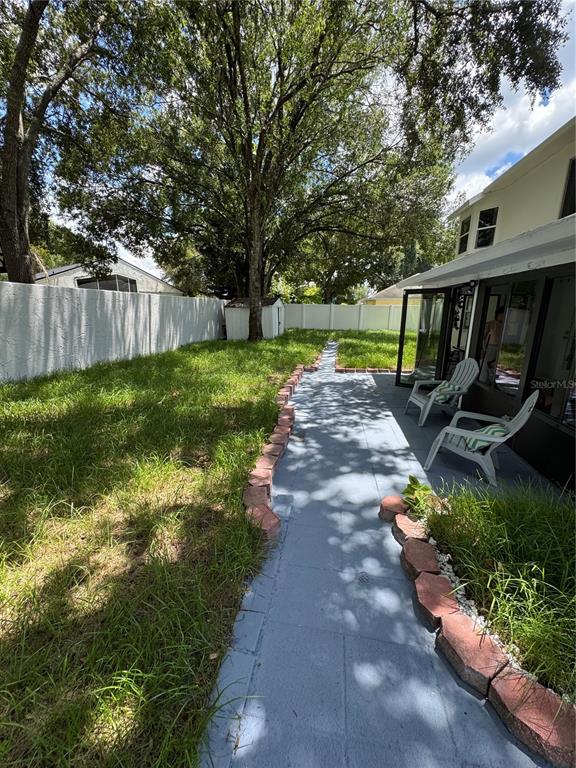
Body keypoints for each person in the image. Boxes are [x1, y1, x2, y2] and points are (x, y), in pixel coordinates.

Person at [480, 306, 505, 384]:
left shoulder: (504, 325)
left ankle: (493, 382)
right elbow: (483, 337)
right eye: (502, 314)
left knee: (495, 366)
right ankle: (483, 382)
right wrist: (483, 349)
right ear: (498, 314)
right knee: (486, 366)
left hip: (500, 348)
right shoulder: (490, 324)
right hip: (491, 347)